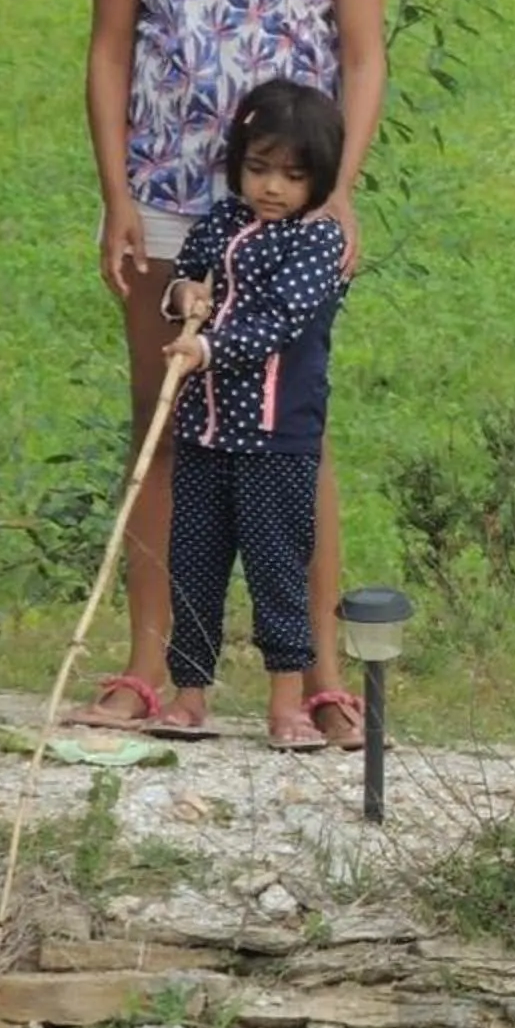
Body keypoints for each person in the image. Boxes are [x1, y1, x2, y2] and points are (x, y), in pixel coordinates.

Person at [77, 0, 387, 743]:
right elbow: (113, 49)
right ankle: (150, 667)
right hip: (167, 201)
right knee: (166, 427)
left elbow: (362, 55)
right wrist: (119, 195)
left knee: (292, 434)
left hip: (293, 217)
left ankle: (318, 676)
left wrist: (337, 195)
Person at [155, 83, 354, 747]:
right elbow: (185, 278)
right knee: (195, 563)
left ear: (319, 178)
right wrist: (183, 295)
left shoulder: (319, 242)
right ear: (238, 163)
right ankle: (188, 696)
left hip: (276, 438)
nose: (272, 187)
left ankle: (287, 705)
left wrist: (206, 348)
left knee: (276, 568)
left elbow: (278, 324)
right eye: (259, 169)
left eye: (293, 176)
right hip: (204, 433)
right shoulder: (219, 223)